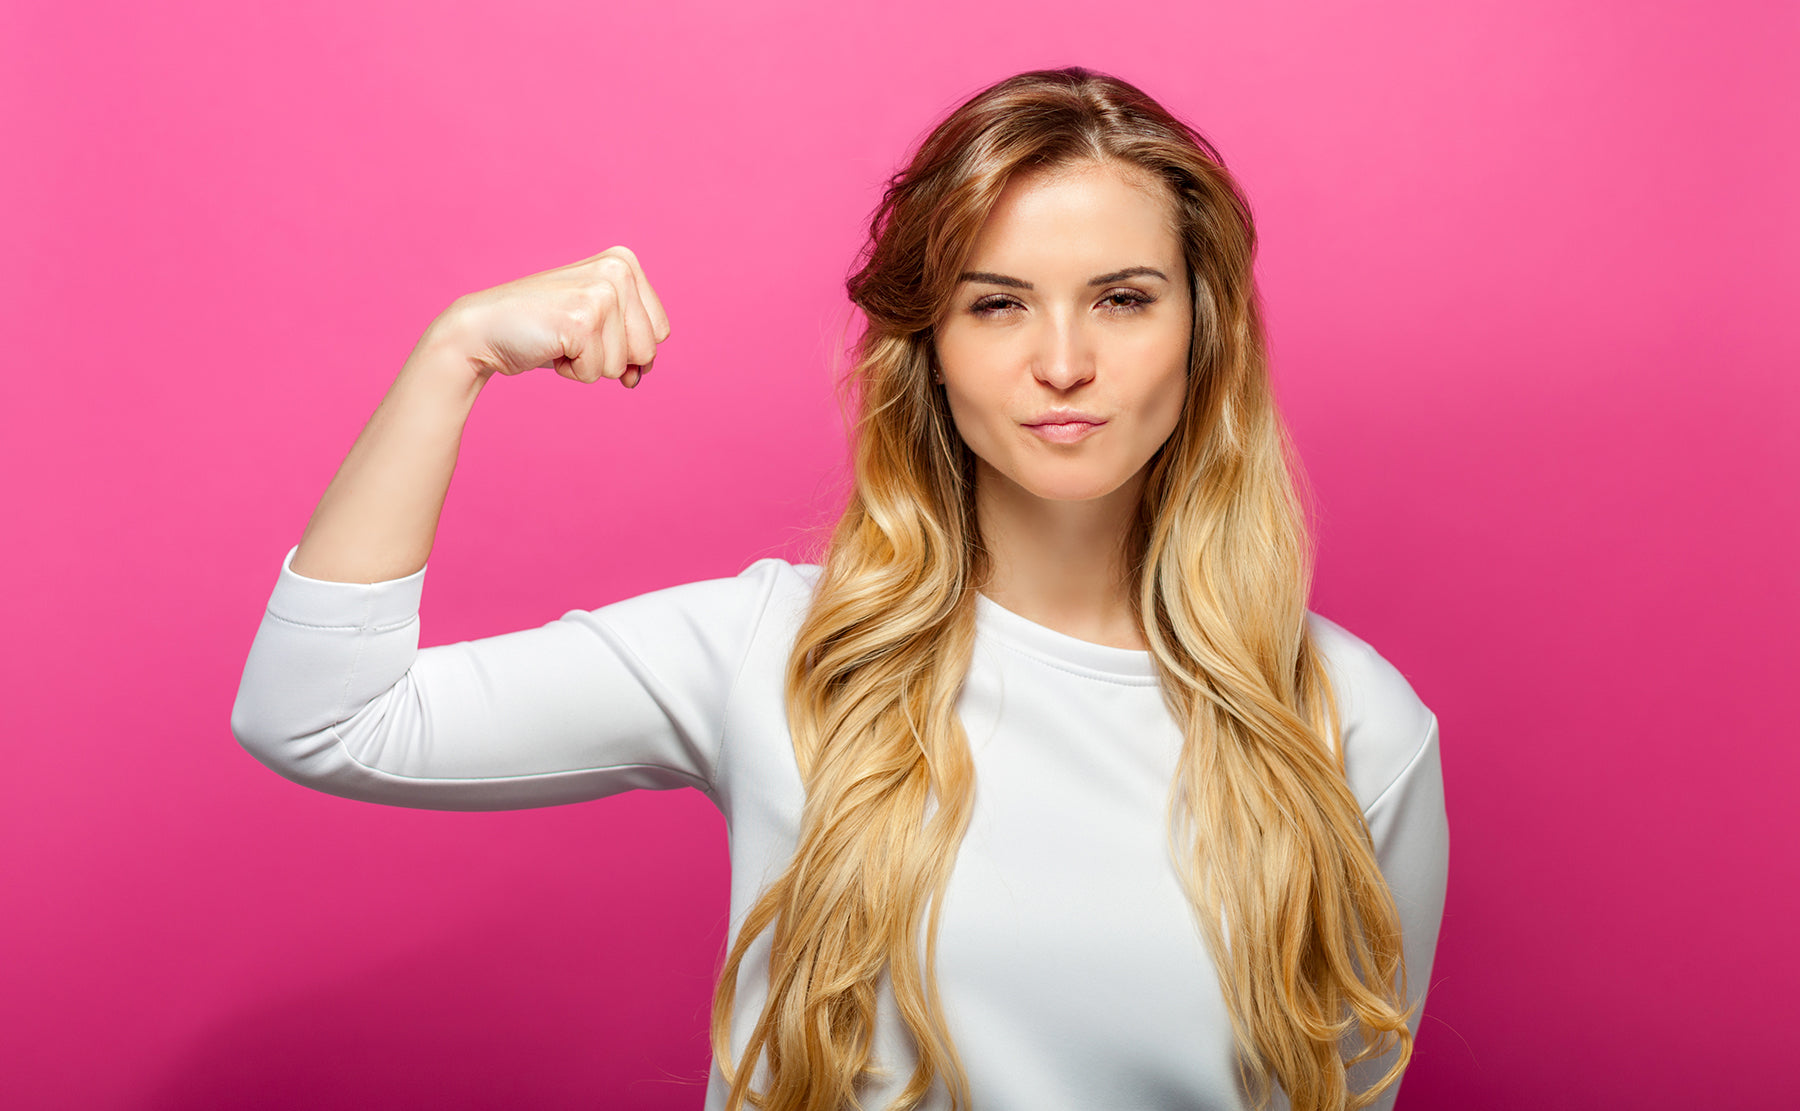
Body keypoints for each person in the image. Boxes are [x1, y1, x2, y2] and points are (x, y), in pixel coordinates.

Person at [231, 66, 1448, 1111]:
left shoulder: (1352, 722)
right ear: (930, 345)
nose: (1064, 362)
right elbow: (324, 715)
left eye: (1123, 299)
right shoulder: (777, 650)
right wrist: (457, 355)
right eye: (997, 303)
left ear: (1204, 331)